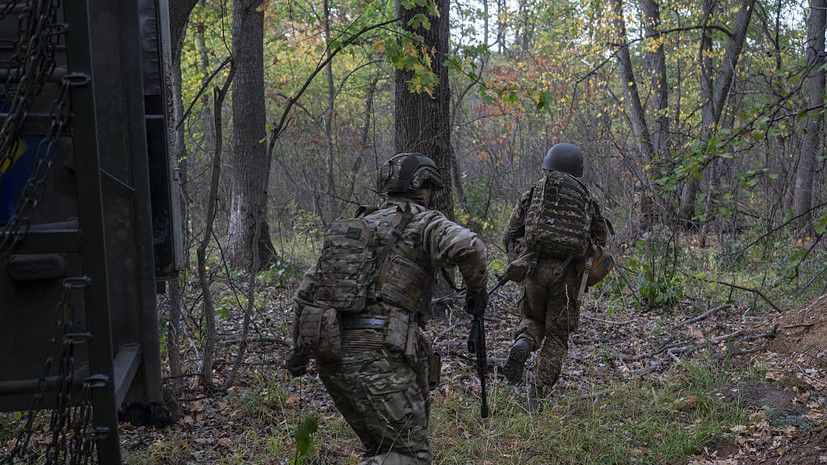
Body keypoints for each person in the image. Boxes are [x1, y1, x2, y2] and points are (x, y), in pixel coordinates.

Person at [286, 153, 488, 465]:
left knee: (384, 449)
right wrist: (476, 291)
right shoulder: (425, 222)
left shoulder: (357, 228)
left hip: (332, 354)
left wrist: (298, 354)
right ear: (425, 188)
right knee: (411, 457)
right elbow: (468, 246)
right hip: (379, 355)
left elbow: (308, 289)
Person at [500, 143, 608, 397]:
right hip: (567, 277)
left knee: (532, 318)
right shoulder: (586, 198)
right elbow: (600, 238)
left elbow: (510, 232)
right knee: (557, 337)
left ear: (549, 164)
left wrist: (521, 259)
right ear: (577, 169)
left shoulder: (536, 191)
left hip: (534, 270)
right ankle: (536, 396)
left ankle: (524, 342)